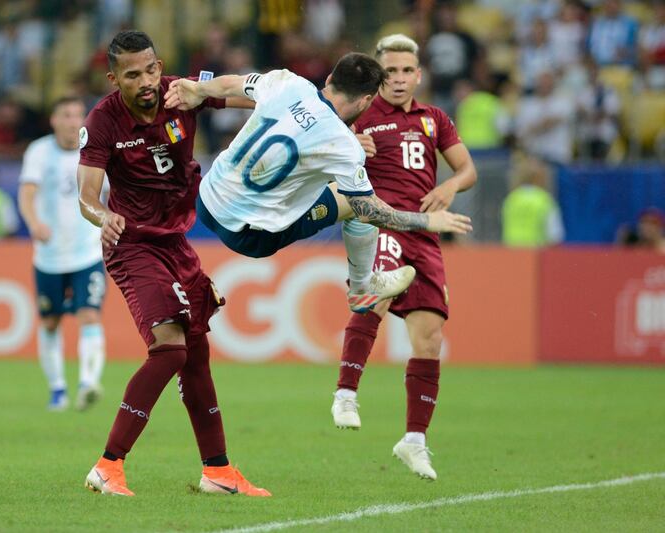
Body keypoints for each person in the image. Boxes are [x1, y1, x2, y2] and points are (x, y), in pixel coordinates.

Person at [76, 30, 269, 497]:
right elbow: (85, 196)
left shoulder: (181, 93)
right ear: (113, 78)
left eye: (151, 70)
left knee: (197, 353)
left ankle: (218, 471)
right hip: (131, 244)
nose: (146, 82)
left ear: (160, 66)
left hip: (176, 243)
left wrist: (270, 98)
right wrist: (104, 217)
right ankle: (108, 466)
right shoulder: (103, 120)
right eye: (132, 74)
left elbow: (250, 92)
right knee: (170, 347)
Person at [164, 53, 472, 315]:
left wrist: (198, 89)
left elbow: (232, 83)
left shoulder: (289, 83)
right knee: (356, 200)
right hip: (247, 234)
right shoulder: (343, 147)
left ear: (328, 80)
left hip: (207, 199)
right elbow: (369, 212)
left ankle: (362, 282)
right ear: (366, 100)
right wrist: (427, 220)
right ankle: (363, 285)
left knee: (314, 177)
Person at [328, 34, 478, 481]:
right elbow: (322, 158)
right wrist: (353, 148)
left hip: (424, 231)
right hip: (377, 221)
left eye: (405, 71)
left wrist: (450, 186)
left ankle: (413, 441)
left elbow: (466, 168)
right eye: (389, 71)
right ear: (377, 74)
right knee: (377, 293)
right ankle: (346, 392)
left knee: (430, 337)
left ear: (419, 74)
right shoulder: (358, 112)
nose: (397, 79)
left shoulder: (434, 119)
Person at [17, 96, 107, 412]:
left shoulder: (96, 148)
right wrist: (33, 223)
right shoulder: (39, 152)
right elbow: (27, 193)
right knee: (51, 322)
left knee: (89, 315)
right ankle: (58, 389)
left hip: (88, 253)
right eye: (66, 115)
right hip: (49, 256)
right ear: (54, 120)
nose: (73, 121)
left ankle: (88, 384)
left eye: (78, 114)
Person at [502, 155, 564, 247]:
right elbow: (555, 235)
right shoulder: (544, 200)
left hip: (512, 253)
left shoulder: (511, 199)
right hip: (536, 254)